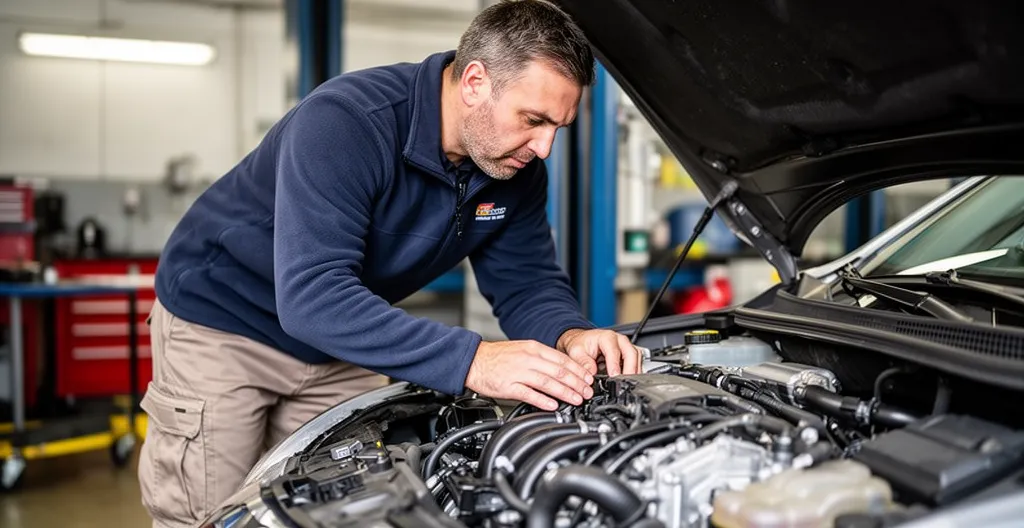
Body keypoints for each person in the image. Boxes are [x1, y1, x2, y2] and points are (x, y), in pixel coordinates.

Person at [137, 1, 643, 526]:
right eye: (534, 120)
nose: (543, 148)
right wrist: (476, 361)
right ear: (474, 82)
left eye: (558, 127)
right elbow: (312, 296)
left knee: (339, 509)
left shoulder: (514, 171)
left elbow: (527, 281)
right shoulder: (348, 124)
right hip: (225, 325)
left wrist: (570, 334)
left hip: (339, 340)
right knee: (207, 515)